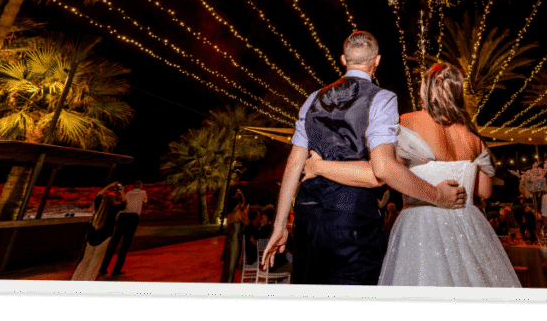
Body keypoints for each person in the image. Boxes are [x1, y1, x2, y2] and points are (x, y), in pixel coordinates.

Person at [260, 32, 466, 285]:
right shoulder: (382, 98)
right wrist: (438, 196)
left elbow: (294, 164)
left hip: (307, 221)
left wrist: (279, 226)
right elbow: (383, 169)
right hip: (354, 223)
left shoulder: (313, 99)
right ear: (376, 61)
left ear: (343, 60)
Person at [298, 62, 521, 287]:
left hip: (423, 225)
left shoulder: (408, 122)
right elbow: (485, 190)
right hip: (469, 226)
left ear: (425, 89)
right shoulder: (473, 136)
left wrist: (320, 166)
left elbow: (379, 173)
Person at [72, 182, 126, 281]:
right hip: (104, 237)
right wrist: (122, 192)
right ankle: (88, 280)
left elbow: (99, 194)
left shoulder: (98, 206)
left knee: (85, 260)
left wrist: (110, 185)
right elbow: (124, 204)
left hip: (92, 236)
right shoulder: (113, 209)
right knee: (95, 261)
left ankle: (75, 279)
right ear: (113, 201)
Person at [99, 180, 147, 277]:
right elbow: (145, 200)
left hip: (123, 217)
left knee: (114, 243)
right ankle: (116, 270)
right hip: (133, 218)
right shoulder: (143, 193)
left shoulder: (128, 193)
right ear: (141, 186)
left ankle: (103, 268)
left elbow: (124, 202)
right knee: (125, 245)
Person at [220, 193, 249, 283]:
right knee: (232, 264)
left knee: (227, 264)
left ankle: (224, 282)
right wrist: (245, 213)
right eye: (239, 203)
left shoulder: (229, 213)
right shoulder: (238, 213)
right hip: (235, 241)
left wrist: (241, 196)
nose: (240, 204)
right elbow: (247, 223)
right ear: (237, 204)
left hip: (229, 241)